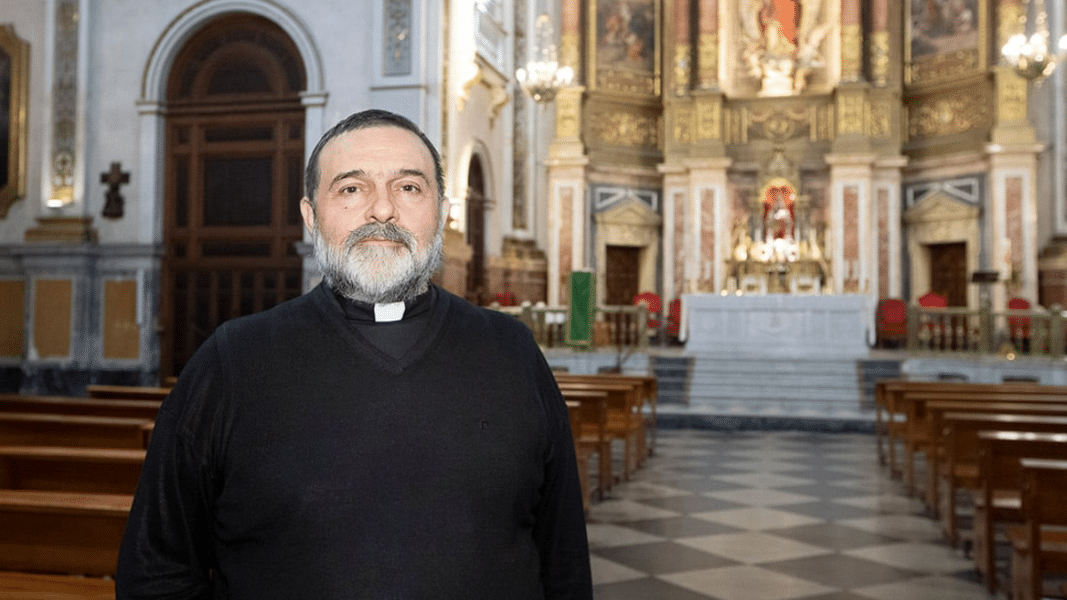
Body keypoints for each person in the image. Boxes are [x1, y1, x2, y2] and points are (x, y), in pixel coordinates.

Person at [115, 109, 593, 599]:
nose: (382, 210)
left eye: (409, 188)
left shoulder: (511, 353)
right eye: (351, 189)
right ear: (310, 215)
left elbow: (564, 564)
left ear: (442, 211)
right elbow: (157, 571)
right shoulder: (233, 361)